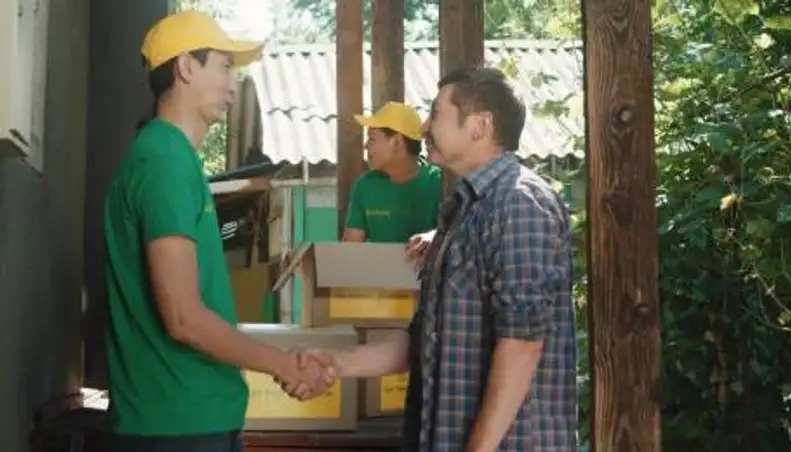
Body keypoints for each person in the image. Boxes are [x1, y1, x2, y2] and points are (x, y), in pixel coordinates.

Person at [287, 67, 578, 451]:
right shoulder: (463, 211)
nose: (424, 127)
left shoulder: (519, 204)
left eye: (436, 114)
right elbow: (424, 336)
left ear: (480, 126)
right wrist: (337, 363)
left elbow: (521, 346)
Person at [102, 11, 330, 451]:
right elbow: (184, 318)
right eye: (224, 66)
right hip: (175, 424)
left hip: (193, 416)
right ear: (186, 67)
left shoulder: (174, 159)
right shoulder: (163, 161)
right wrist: (284, 364)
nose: (232, 83)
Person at [342, 101, 443, 243]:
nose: (365, 145)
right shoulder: (364, 186)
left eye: (372, 138)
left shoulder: (439, 183)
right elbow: (350, 250)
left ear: (397, 142)